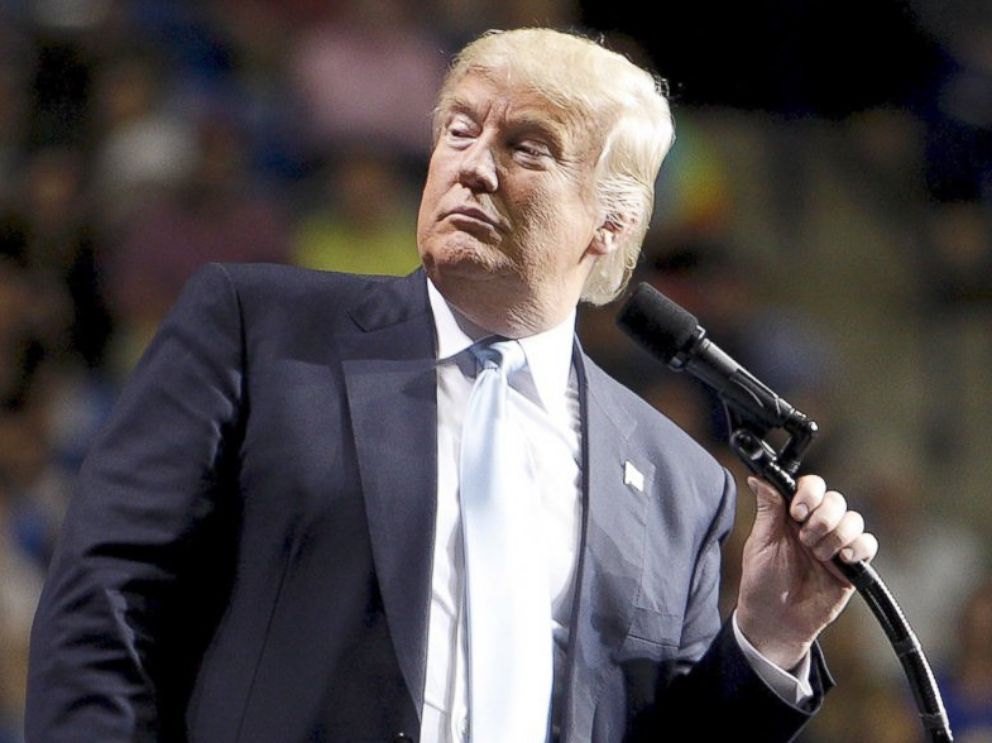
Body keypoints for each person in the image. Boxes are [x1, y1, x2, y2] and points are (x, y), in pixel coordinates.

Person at [25, 28, 877, 742]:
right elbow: (105, 604)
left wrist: (769, 634)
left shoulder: (680, 485)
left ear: (609, 221)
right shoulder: (258, 330)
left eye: (526, 147)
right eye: (459, 130)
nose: (473, 165)